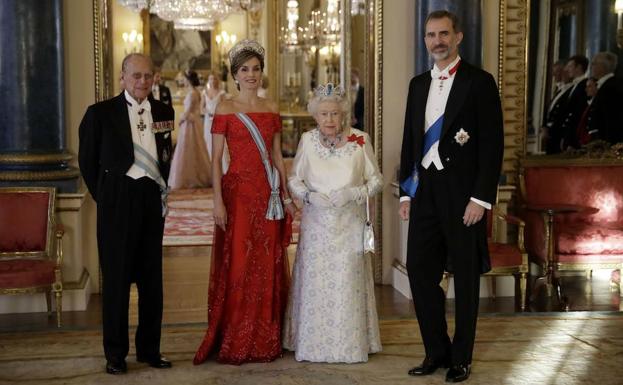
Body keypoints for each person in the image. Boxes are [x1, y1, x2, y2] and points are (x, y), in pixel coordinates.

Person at [398, 11, 503, 383]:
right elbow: (411, 140)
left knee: (467, 278)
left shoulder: (480, 82)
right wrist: (405, 192)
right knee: (420, 272)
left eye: (444, 34)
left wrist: (481, 198)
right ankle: (436, 351)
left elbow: (492, 147)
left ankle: (462, 357)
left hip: (463, 195)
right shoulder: (416, 85)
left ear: (457, 37)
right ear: (425, 40)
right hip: (424, 190)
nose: (437, 41)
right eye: (430, 35)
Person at [193, 39, 296, 365]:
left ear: (262, 73)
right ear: (235, 74)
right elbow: (215, 160)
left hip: (267, 196)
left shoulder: (272, 107)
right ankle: (237, 335)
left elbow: (278, 155)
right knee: (239, 263)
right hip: (237, 195)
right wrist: (217, 202)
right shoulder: (225, 108)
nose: (251, 75)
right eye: (244, 70)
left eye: (256, 69)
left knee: (267, 263)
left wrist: (286, 193)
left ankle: (265, 338)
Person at [78, 53, 174, 375]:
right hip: (116, 201)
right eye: (136, 76)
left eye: (148, 76)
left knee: (152, 282)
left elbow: (164, 155)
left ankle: (150, 349)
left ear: (154, 78)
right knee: (117, 282)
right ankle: (116, 355)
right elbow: (87, 162)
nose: (142, 82)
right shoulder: (99, 114)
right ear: (123, 77)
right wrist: (105, 197)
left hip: (150, 201)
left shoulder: (164, 111)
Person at [283, 83, 383, 363]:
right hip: (316, 226)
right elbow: (294, 180)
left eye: (335, 114)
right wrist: (309, 196)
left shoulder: (360, 140)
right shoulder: (307, 141)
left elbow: (376, 181)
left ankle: (348, 346)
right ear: (315, 116)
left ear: (344, 115)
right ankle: (313, 345)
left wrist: (354, 193)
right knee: (317, 285)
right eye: (324, 114)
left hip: (349, 224)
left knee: (346, 284)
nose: (330, 120)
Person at [167, 70, 211, 189]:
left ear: (188, 80)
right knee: (194, 148)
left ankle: (189, 177)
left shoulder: (192, 93)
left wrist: (181, 119)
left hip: (189, 123)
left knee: (188, 148)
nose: (183, 81)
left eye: (185, 79)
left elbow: (189, 111)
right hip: (193, 122)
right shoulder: (196, 92)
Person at [584, 52, 622, 144]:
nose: (591, 66)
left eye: (594, 63)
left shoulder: (612, 86)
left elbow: (611, 118)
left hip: (606, 141)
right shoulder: (604, 85)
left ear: (603, 67)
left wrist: (607, 143)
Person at [558, 55, 589, 151]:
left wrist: (571, 139)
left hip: (575, 136)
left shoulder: (585, 85)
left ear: (579, 67)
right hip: (567, 134)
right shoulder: (574, 86)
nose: (567, 69)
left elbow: (578, 114)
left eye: (570, 66)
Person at [201, 71, 228, 170]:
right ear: (208, 80)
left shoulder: (221, 93)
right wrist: (207, 113)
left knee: (220, 144)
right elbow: (201, 108)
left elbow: (225, 107)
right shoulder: (204, 93)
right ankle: (209, 170)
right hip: (208, 121)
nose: (212, 81)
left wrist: (217, 114)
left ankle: (223, 170)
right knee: (208, 142)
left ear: (217, 80)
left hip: (219, 121)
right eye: (211, 79)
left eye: (214, 79)